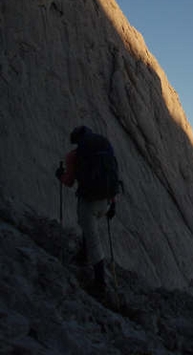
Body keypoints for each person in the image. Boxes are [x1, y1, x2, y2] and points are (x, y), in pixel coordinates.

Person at [56, 126, 117, 297]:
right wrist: (113, 204)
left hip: (89, 202)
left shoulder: (74, 156)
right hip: (105, 202)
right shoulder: (105, 151)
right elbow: (111, 177)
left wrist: (59, 175)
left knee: (93, 238)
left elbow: (68, 182)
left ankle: (100, 283)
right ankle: (83, 255)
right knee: (89, 228)